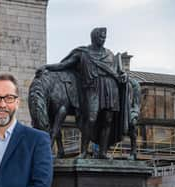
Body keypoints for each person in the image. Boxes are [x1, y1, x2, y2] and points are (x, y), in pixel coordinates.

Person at [43, 27, 127, 158]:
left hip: (110, 88)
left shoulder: (110, 54)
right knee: (91, 118)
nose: (103, 39)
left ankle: (103, 152)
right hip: (92, 88)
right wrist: (47, 67)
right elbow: (64, 65)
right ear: (94, 37)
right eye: (101, 37)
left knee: (107, 120)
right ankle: (83, 152)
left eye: (105, 37)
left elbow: (118, 72)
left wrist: (123, 76)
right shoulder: (83, 53)